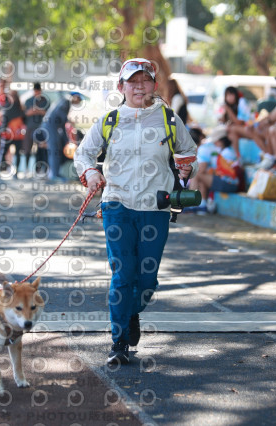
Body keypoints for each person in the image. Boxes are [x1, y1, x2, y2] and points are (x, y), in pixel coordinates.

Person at [74, 58, 198, 366]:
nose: (139, 85)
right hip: (116, 204)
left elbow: (188, 150)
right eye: (132, 81)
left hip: (156, 207)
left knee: (147, 279)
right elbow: (84, 152)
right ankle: (118, 341)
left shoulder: (169, 119)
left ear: (154, 86)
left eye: (144, 80)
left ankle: (131, 314)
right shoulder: (111, 119)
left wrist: (185, 169)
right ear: (121, 87)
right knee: (123, 273)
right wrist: (91, 173)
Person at [191, 128, 241, 209]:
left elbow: (201, 169)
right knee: (201, 177)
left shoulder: (226, 152)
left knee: (197, 173)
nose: (214, 143)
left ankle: (191, 202)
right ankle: (202, 205)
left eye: (215, 141)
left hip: (228, 183)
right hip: (230, 182)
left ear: (221, 141)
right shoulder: (228, 150)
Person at [40, 92, 82, 182]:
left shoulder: (65, 101)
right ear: (75, 97)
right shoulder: (66, 101)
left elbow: (62, 123)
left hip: (52, 127)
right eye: (79, 99)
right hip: (50, 127)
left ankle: (55, 173)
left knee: (56, 150)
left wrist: (66, 139)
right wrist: (69, 121)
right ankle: (54, 175)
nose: (79, 102)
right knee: (54, 150)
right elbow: (61, 116)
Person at [23, 82, 51, 177]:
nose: (37, 93)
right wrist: (30, 112)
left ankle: (39, 169)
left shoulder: (45, 101)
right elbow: (24, 113)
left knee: (40, 150)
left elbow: (48, 114)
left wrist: (38, 111)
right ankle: (26, 169)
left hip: (41, 128)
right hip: (30, 127)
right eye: (35, 91)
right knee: (27, 148)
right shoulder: (28, 101)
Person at [0, 89, 26, 178]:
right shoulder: (8, 107)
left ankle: (15, 172)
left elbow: (23, 120)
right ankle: (0, 171)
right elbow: (4, 121)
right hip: (8, 134)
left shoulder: (19, 108)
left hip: (17, 134)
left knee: (16, 153)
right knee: (4, 152)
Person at [222, 86, 251, 157]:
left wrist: (228, 110)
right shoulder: (231, 106)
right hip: (239, 131)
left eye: (231, 94)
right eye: (227, 95)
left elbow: (239, 122)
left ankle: (237, 156)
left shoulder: (241, 102)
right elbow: (224, 121)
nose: (229, 97)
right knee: (230, 132)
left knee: (230, 129)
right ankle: (237, 156)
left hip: (249, 129)